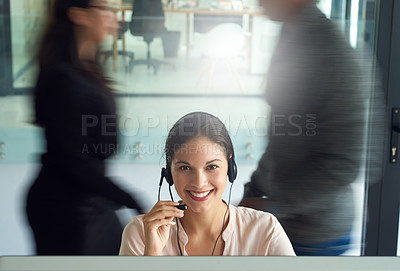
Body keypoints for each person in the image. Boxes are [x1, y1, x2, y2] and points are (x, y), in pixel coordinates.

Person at [239, 0, 376, 255]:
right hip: (286, 222)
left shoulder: (332, 52)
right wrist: (255, 190)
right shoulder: (292, 34)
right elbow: (284, 132)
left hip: (315, 236)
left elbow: (342, 165)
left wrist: (274, 206)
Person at [25, 0, 144, 255]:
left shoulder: (88, 68)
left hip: (88, 200)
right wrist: (135, 202)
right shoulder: (63, 79)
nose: (113, 17)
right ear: (80, 15)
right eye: (105, 9)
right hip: (65, 208)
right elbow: (77, 163)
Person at [119, 112, 295, 256]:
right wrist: (152, 254)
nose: (199, 182)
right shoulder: (141, 232)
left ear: (230, 168)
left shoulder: (265, 229)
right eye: (185, 168)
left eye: (212, 166)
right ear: (169, 173)